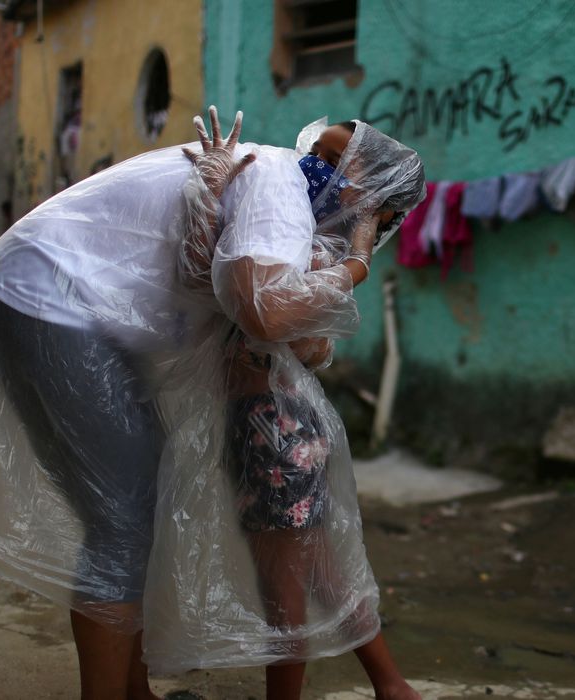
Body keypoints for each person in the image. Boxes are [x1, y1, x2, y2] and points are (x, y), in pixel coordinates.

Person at [0, 108, 425, 700]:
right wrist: (358, 259)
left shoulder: (270, 197)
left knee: (134, 513)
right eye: (377, 218)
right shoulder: (280, 185)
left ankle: (134, 689)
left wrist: (337, 233)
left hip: (45, 302)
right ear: (360, 198)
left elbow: (268, 314)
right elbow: (265, 311)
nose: (364, 232)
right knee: (125, 518)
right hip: (53, 300)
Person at [181, 115, 423, 700]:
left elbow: (305, 342)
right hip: (279, 426)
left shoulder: (311, 258)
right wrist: (213, 197)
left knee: (283, 587)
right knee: (320, 571)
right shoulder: (294, 241)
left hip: (272, 429)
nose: (319, 161)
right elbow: (204, 282)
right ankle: (391, 685)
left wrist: (360, 247)